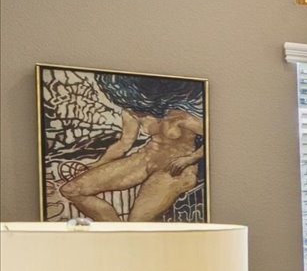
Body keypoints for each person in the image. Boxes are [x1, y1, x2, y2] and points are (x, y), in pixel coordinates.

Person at [55, 74, 205, 221]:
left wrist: (190, 158)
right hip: (145, 159)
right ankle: (115, 231)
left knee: (137, 222)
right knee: (72, 190)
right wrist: (95, 165)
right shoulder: (131, 112)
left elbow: (212, 138)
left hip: (175, 169)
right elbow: (123, 144)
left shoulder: (181, 116)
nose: (134, 110)